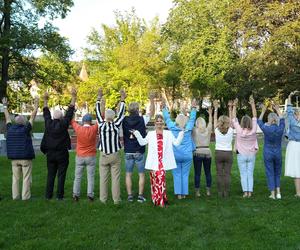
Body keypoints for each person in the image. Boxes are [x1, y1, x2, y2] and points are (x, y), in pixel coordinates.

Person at [133, 114, 184, 207]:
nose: (159, 123)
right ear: (155, 123)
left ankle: (161, 201)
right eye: (157, 121)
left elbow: (176, 143)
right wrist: (137, 133)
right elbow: (142, 142)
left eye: (161, 122)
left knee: (161, 180)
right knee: (155, 182)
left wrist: (181, 133)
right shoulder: (151, 134)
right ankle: (156, 200)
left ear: (163, 123)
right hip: (153, 162)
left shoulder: (168, 134)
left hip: (163, 162)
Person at [41, 89, 76, 200]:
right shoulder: (63, 124)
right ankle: (59, 196)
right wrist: (73, 97)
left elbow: (46, 112)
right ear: (61, 118)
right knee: (61, 175)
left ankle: (48, 195)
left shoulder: (48, 123)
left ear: (53, 117)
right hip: (62, 154)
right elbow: (70, 113)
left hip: (50, 154)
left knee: (50, 175)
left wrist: (45, 100)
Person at [2, 97, 39, 200]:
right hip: (25, 158)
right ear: (23, 122)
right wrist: (36, 105)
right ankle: (25, 197)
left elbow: (7, 117)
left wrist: (5, 106)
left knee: (15, 178)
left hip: (14, 159)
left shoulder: (10, 128)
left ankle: (15, 196)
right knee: (26, 178)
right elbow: (33, 116)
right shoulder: (26, 129)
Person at [122, 93, 155, 203]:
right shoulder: (142, 119)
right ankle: (140, 196)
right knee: (141, 174)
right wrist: (151, 99)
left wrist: (122, 99)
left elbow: (119, 112)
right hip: (139, 150)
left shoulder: (124, 119)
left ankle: (130, 196)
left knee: (128, 174)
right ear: (137, 109)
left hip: (128, 150)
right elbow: (152, 112)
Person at [95, 88, 126, 205]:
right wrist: (122, 99)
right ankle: (116, 200)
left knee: (103, 178)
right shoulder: (116, 124)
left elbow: (97, 112)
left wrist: (99, 98)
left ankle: (103, 199)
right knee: (116, 178)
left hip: (104, 154)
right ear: (113, 117)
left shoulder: (101, 125)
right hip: (115, 154)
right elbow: (122, 113)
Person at [162, 99, 197, 199]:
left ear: (176, 120)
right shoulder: (188, 127)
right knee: (185, 174)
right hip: (187, 155)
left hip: (175, 155)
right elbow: (192, 118)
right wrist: (193, 108)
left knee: (177, 174)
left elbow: (167, 118)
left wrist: (164, 108)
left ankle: (179, 194)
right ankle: (184, 193)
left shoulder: (172, 127)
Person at [232, 96, 258, 198]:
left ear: (242, 123)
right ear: (250, 122)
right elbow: (255, 116)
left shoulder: (239, 130)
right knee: (250, 173)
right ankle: (249, 192)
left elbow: (234, 118)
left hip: (241, 155)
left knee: (243, 174)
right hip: (251, 155)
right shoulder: (254, 130)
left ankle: (245, 192)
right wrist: (252, 104)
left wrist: (234, 105)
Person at [258, 103, 285, 199]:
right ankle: (278, 193)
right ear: (275, 119)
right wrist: (277, 109)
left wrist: (263, 111)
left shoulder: (266, 128)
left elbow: (259, 121)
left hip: (268, 152)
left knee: (270, 172)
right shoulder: (280, 128)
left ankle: (272, 194)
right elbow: (282, 120)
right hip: (277, 152)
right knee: (277, 172)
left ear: (269, 120)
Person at [71, 113, 98, 202]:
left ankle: (75, 194)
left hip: (80, 156)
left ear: (83, 121)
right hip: (91, 156)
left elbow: (72, 121)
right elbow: (100, 120)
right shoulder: (93, 128)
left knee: (77, 176)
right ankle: (90, 194)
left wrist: (73, 112)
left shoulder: (79, 128)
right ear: (90, 121)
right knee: (90, 176)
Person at [213, 100, 234, 197]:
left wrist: (216, 108)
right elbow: (232, 119)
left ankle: (219, 192)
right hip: (228, 153)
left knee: (219, 174)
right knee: (227, 174)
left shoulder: (216, 130)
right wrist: (230, 109)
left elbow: (214, 120)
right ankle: (226, 192)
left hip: (218, 153)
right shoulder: (230, 130)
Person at [192, 106, 213, 197]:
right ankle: (208, 191)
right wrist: (210, 114)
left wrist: (192, 109)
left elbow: (190, 122)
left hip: (197, 152)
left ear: (196, 123)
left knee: (197, 173)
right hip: (207, 152)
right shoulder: (208, 130)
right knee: (208, 172)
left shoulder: (194, 130)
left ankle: (197, 192)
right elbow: (211, 122)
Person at [284, 91, 300, 197]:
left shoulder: (293, 121)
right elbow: (289, 110)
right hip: (295, 145)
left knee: (296, 170)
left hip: (294, 146)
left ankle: (298, 193)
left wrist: (289, 96)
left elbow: (289, 109)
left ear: (295, 114)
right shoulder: (293, 120)